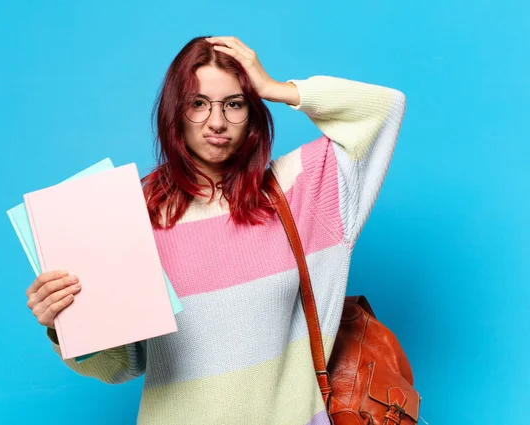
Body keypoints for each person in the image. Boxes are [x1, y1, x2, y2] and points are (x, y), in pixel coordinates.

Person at [25, 35, 406, 424]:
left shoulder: (300, 192)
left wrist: (276, 88)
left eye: (234, 103)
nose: (217, 121)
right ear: (175, 111)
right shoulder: (135, 215)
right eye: (198, 104)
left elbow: (385, 109)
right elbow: (123, 365)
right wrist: (65, 323)